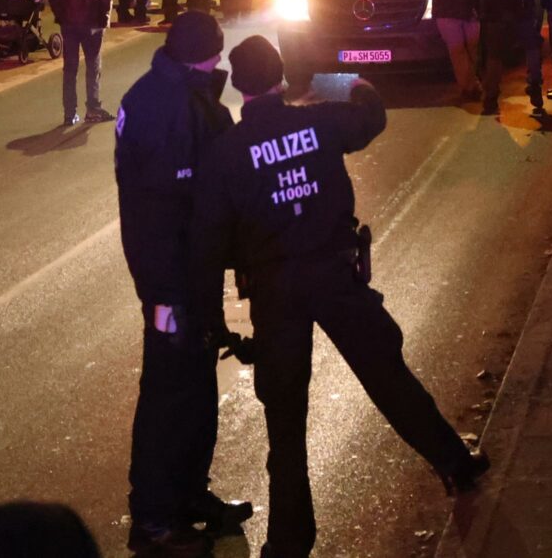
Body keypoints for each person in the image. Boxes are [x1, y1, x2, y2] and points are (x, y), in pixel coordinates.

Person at [190, 36, 485, 556]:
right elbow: (370, 117)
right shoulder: (317, 121)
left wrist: (214, 322)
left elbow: (209, 244)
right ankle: (455, 463)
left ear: (239, 86)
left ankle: (288, 542)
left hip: (275, 293)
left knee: (285, 419)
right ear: (282, 76)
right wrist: (348, 77)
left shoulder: (226, 154)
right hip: (333, 276)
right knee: (387, 376)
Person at [114, 11, 253, 555]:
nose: (220, 61)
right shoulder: (174, 108)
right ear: (203, 54)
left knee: (194, 381)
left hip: (180, 276)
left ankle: (190, 494)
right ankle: (152, 517)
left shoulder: (159, 93)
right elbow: (186, 202)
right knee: (168, 388)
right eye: (216, 53)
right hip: (169, 283)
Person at [49, 0, 115, 127]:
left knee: (70, 68)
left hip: (68, 22)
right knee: (93, 65)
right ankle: (93, 108)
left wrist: (60, 15)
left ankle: (70, 113)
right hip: (91, 23)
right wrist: (103, 18)